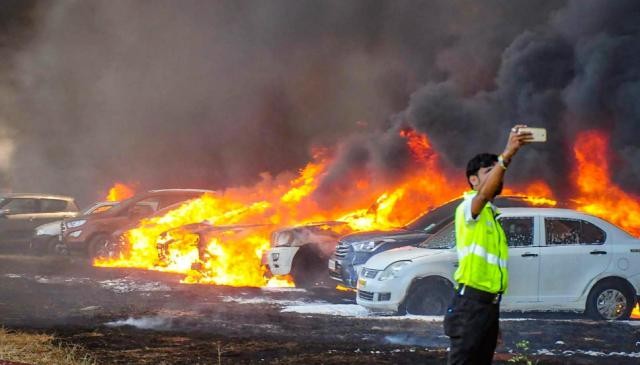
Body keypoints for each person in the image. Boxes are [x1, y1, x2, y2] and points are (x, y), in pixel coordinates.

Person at [443, 125, 533, 364]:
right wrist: (507, 155)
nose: (497, 175)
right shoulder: (469, 208)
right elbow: (482, 195)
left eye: (497, 171)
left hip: (487, 308)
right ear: (473, 180)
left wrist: (490, 319)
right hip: (469, 305)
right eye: (489, 171)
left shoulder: (492, 217)